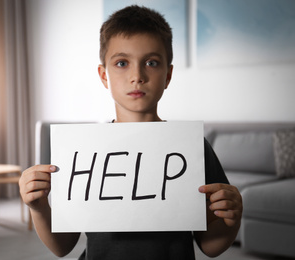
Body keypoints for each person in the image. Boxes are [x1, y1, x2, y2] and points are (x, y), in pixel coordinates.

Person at [19, 5, 242, 259]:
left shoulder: (192, 148)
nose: (137, 76)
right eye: (122, 63)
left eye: (151, 62)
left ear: (168, 75)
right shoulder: (84, 152)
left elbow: (209, 246)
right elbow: (63, 246)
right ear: (104, 76)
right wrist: (38, 208)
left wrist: (231, 220)